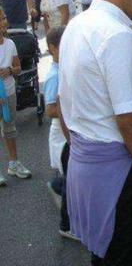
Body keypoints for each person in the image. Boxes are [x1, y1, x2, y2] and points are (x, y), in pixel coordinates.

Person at [59, 0, 132, 265]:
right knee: (127, 256)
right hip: (117, 171)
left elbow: (64, 102)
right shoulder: (118, 35)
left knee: (103, 257)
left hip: (86, 163)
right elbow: (130, 120)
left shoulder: (78, 24)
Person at [43, 26, 78, 240]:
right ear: (52, 48)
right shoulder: (53, 76)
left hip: (67, 132)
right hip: (61, 136)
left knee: (67, 175)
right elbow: (49, 109)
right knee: (70, 181)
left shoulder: (64, 69)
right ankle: (66, 225)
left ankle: (55, 184)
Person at [0, 6, 31, 185]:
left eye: (4, 18)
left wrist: (10, 70)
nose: (4, 22)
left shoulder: (10, 44)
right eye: (1, 19)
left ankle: (13, 164)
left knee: (10, 128)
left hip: (9, 92)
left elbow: (18, 68)